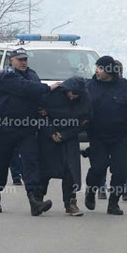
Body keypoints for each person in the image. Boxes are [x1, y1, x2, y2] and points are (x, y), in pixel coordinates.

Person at [0, 48, 61, 215]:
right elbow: (25, 88)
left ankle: (34, 201)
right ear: (11, 60)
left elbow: (36, 94)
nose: (23, 62)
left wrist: (44, 107)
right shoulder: (6, 74)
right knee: (1, 163)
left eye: (25, 59)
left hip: (27, 126)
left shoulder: (32, 74)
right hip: (5, 126)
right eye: (19, 59)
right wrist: (48, 88)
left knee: (31, 162)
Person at [84, 55, 127, 215]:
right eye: (97, 67)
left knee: (121, 171)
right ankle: (90, 191)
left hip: (119, 137)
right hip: (97, 136)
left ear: (109, 70)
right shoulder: (89, 86)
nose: (97, 71)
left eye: (100, 68)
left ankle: (113, 203)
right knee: (99, 167)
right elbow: (77, 107)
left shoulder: (125, 88)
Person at [38, 76, 92, 216]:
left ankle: (70, 203)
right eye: (72, 94)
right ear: (66, 90)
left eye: (77, 95)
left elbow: (84, 122)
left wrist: (65, 135)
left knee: (70, 171)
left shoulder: (85, 99)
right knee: (45, 169)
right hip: (49, 137)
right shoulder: (51, 96)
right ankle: (38, 200)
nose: (74, 97)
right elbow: (41, 116)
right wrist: (52, 133)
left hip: (69, 137)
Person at [97, 59, 127, 202]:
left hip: (119, 134)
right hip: (100, 134)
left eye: (120, 71)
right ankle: (101, 188)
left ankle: (125, 189)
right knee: (100, 164)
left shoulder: (126, 87)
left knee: (121, 164)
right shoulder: (97, 85)